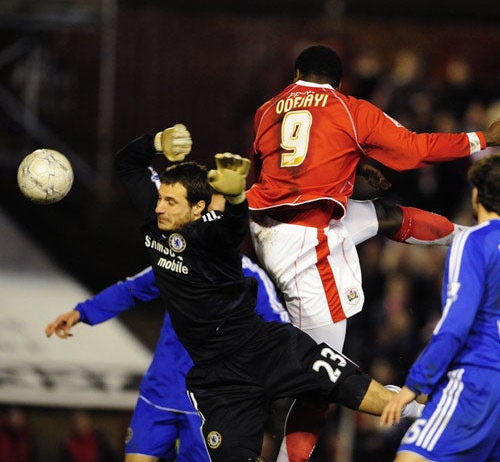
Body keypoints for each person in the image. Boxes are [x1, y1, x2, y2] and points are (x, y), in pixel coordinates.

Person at [245, 44, 500, 462]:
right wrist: (483, 137)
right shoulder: (348, 107)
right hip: (307, 246)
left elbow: (274, 169)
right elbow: (415, 150)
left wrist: (352, 163)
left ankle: (466, 237)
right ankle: (407, 411)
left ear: (295, 74)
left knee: (383, 215)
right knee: (321, 380)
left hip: (270, 228)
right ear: (339, 81)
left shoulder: (266, 110)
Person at [112, 125, 423, 462]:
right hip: (218, 380)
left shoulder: (212, 233)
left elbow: (231, 230)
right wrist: (157, 143)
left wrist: (235, 201)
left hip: (264, 347)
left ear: (198, 207)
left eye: (171, 202)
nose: (159, 208)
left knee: (346, 385)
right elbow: (127, 164)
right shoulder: (156, 217)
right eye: (161, 199)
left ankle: (421, 413)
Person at [45, 254, 289, 462]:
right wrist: (82, 312)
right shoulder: (177, 261)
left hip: (209, 401)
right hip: (161, 389)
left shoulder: (248, 275)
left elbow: (281, 330)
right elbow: (132, 289)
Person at [380, 154, 500, 462]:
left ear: (476, 194)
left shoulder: (474, 241)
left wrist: (414, 386)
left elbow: (456, 325)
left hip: (476, 380)